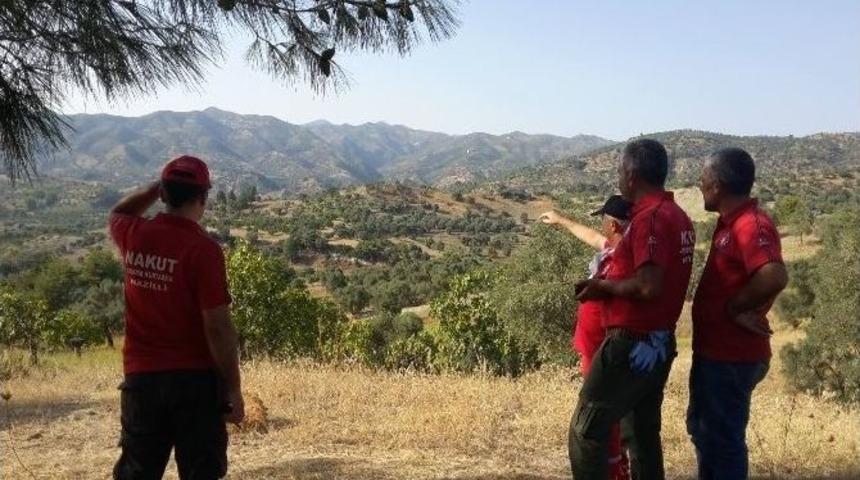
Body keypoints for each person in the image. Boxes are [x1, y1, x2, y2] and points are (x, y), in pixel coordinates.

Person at [108, 155, 245, 480]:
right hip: (195, 383)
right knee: (201, 472)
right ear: (204, 198)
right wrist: (234, 389)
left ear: (165, 195)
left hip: (142, 380)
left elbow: (119, 212)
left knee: (136, 473)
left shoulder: (134, 234)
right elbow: (218, 327)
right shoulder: (203, 249)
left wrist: (158, 187)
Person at [569, 139, 695, 480]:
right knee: (640, 435)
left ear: (631, 174)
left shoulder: (650, 219)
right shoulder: (679, 216)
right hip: (657, 342)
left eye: (620, 172)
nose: (619, 180)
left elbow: (647, 285)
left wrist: (601, 287)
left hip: (631, 342)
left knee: (586, 429)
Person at [688, 147, 788, 479]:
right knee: (708, 435)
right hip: (717, 354)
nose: (699, 186)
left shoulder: (750, 224)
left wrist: (734, 307)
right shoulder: (732, 222)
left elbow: (773, 274)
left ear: (717, 185)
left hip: (731, 357)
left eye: (703, 180)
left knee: (724, 442)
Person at [541, 195, 632, 480]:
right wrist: (561, 221)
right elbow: (591, 236)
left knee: (601, 415)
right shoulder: (615, 249)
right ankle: (617, 466)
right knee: (604, 413)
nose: (601, 226)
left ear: (614, 224)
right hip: (594, 350)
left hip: (602, 352)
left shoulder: (624, 259)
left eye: (604, 220)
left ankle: (614, 470)